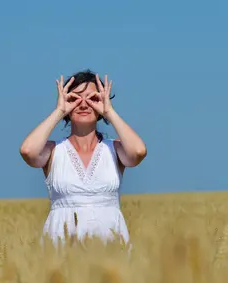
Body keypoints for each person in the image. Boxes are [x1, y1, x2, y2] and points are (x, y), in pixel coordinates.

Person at [19, 69, 147, 248]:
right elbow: (28, 151)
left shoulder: (115, 149)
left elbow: (138, 152)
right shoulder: (54, 151)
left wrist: (109, 112)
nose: (84, 104)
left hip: (109, 249)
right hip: (61, 248)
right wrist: (59, 111)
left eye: (92, 98)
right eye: (75, 98)